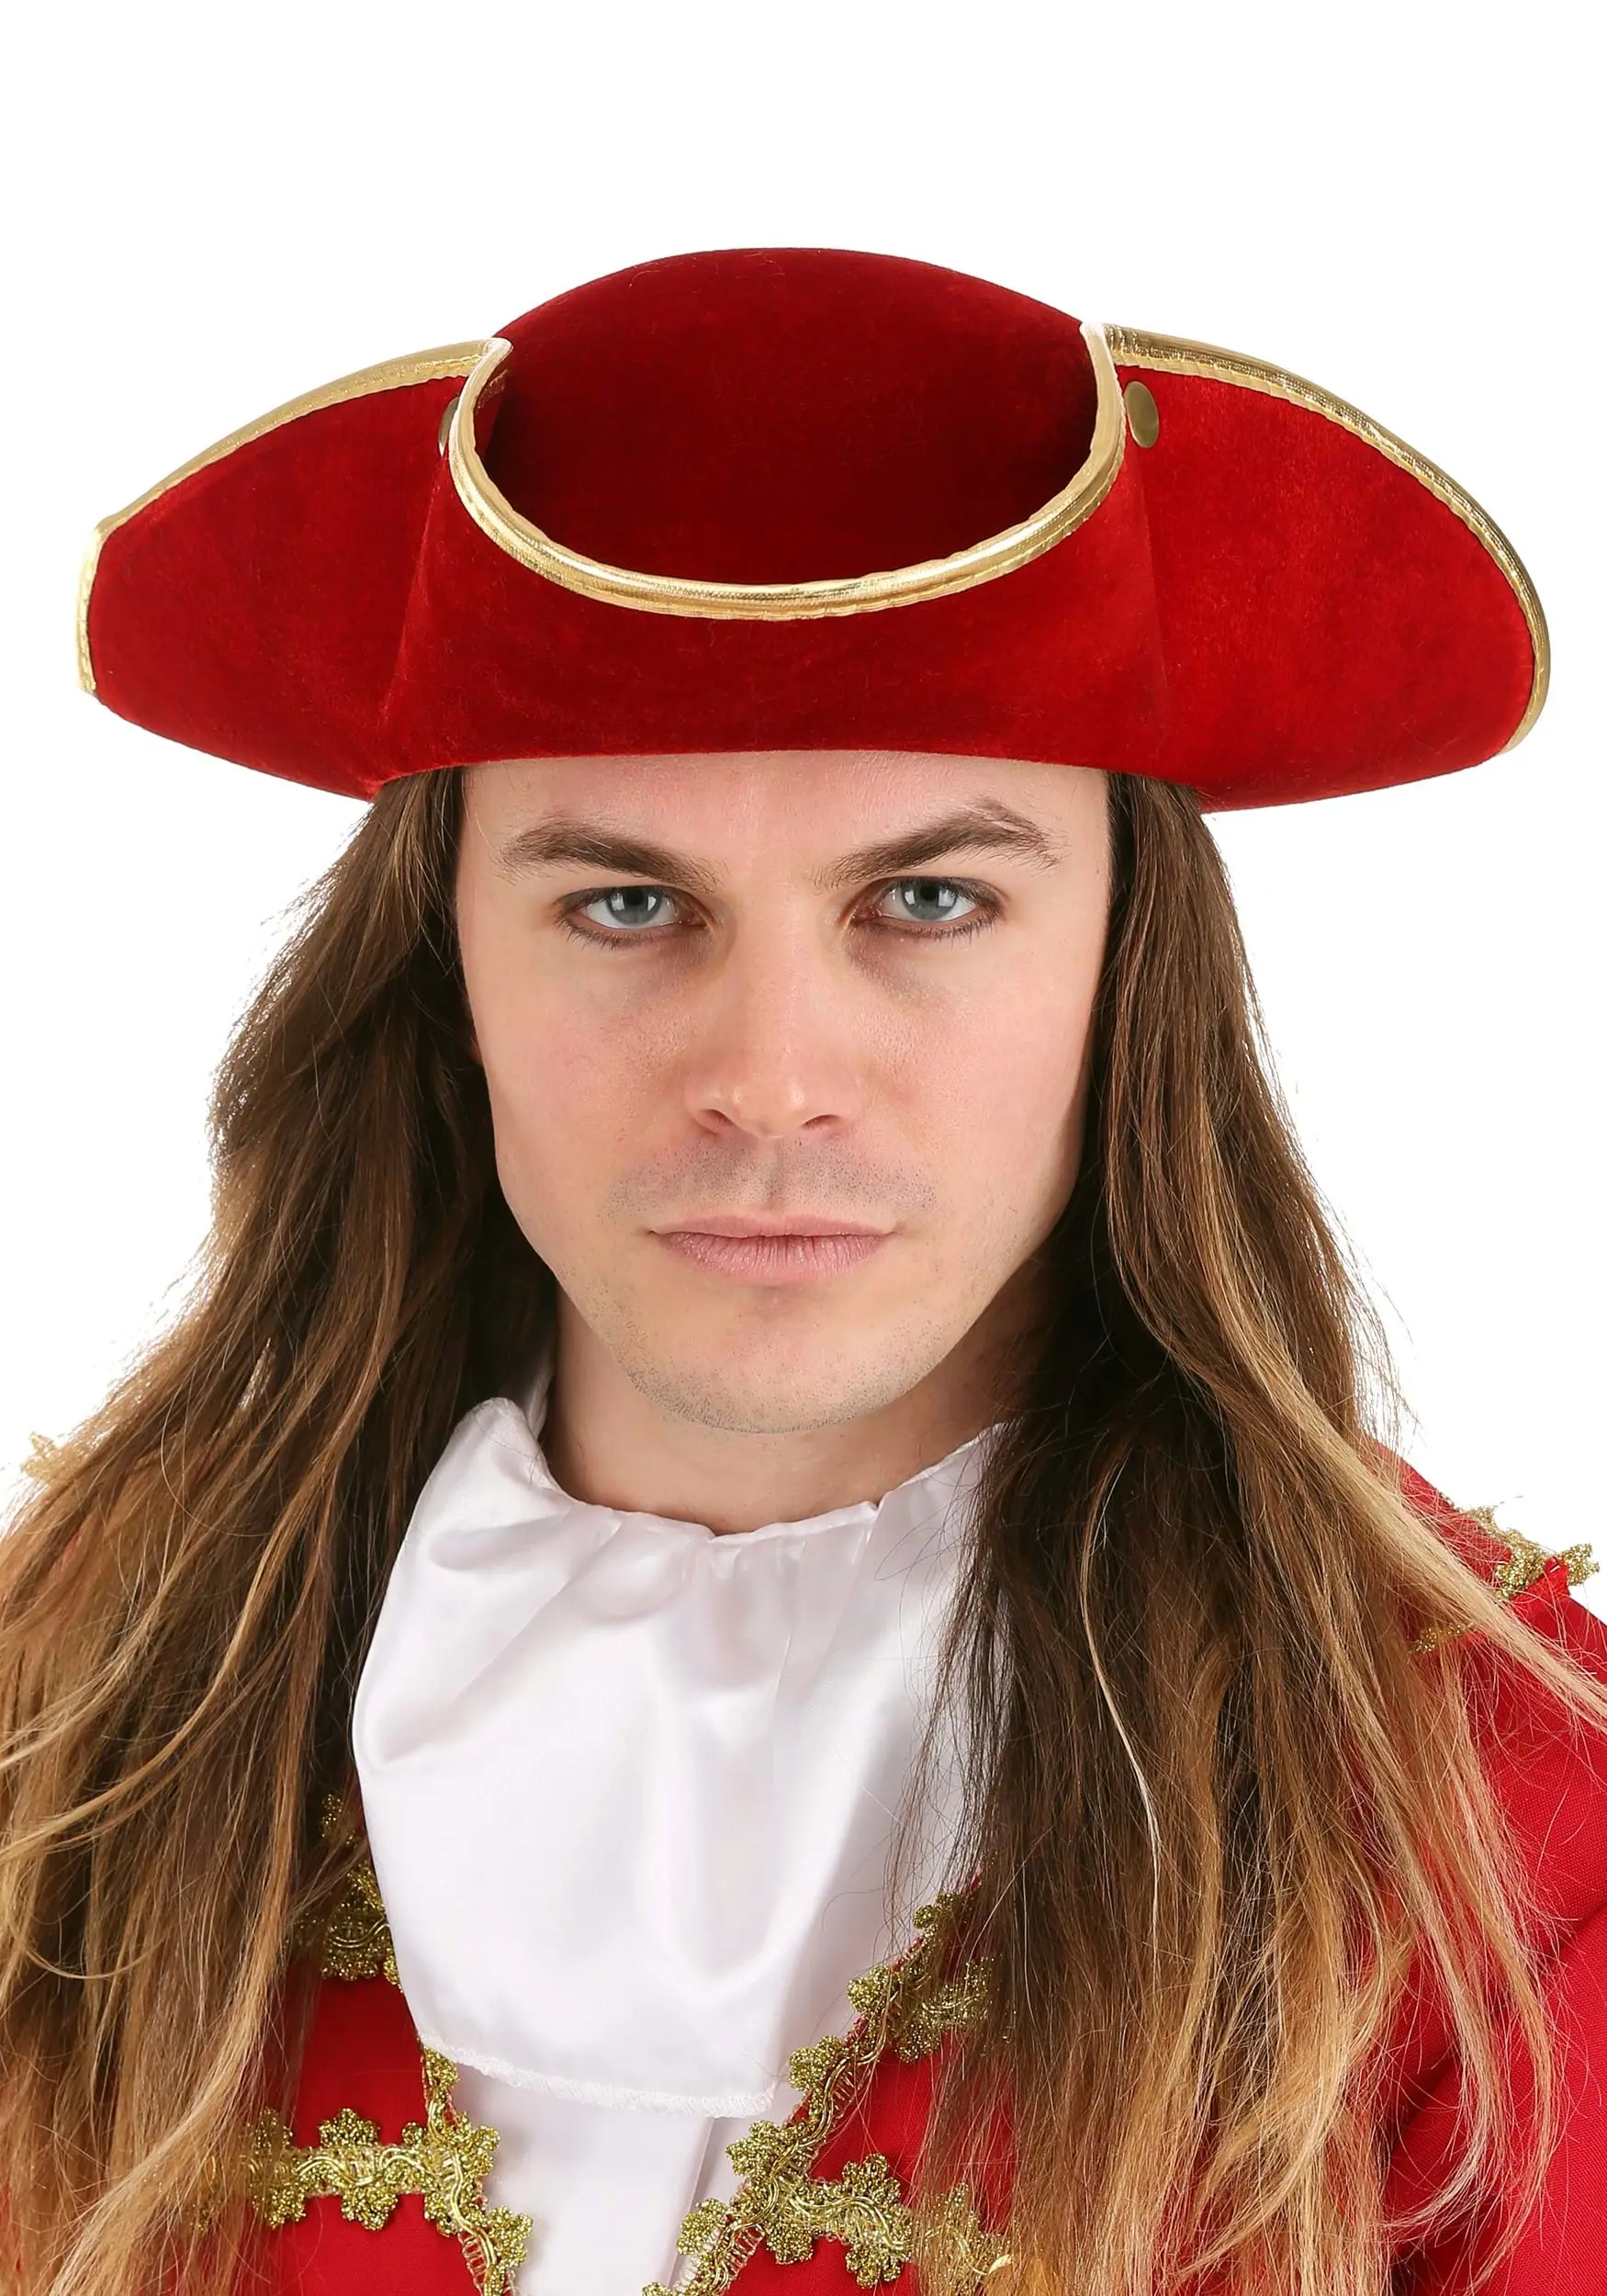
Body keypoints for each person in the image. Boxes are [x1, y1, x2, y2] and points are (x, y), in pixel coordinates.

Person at [3, 246, 1604, 2296]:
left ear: (1127, 973)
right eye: (624, 904)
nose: (767, 1077)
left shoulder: (1489, 1825)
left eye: (924, 899)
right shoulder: (81, 1723)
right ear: (443, 970)